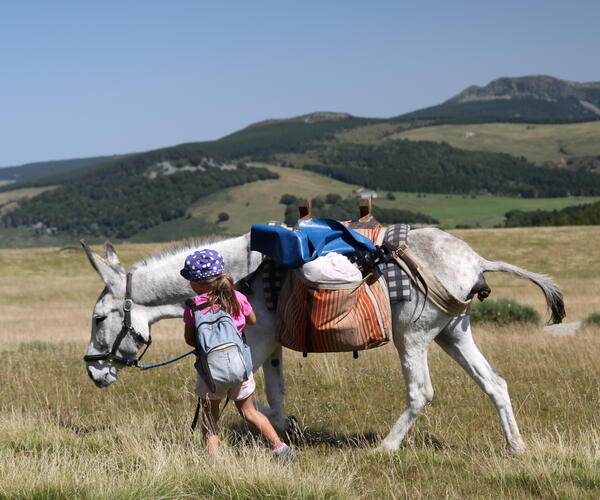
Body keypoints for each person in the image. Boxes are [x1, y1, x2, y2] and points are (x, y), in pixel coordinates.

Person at [180, 249, 297, 460]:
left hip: (210, 373)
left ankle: (214, 461)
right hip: (240, 367)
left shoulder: (192, 307)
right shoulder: (237, 297)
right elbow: (251, 320)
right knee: (250, 413)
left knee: (211, 420)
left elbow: (190, 340)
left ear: (198, 284)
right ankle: (281, 449)